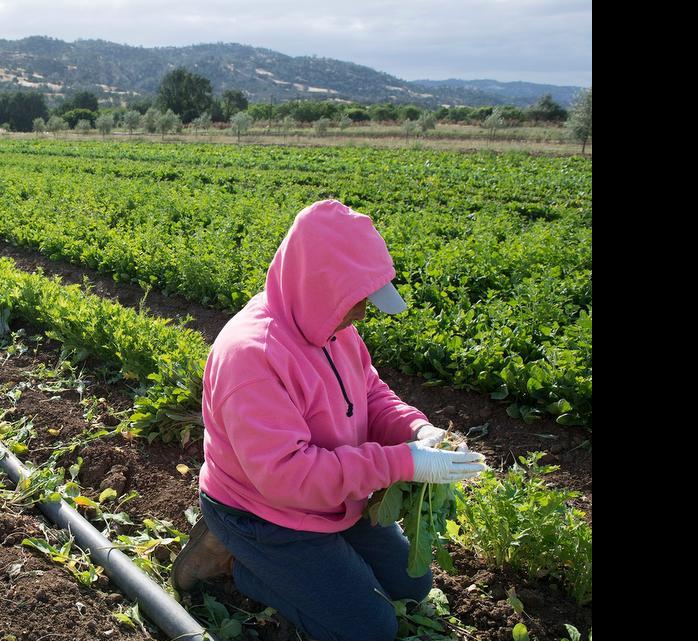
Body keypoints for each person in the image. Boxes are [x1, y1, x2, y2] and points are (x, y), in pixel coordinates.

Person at [171, 200, 487, 641]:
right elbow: (288, 477)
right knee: (370, 628)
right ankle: (235, 562)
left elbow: (371, 394)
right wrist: (402, 463)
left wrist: (417, 430)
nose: (362, 311)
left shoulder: (334, 329)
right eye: (356, 299)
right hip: (263, 511)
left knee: (412, 588)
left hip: (332, 494)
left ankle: (316, 562)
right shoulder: (251, 357)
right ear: (319, 286)